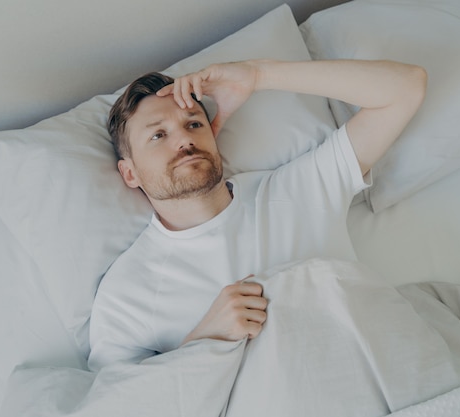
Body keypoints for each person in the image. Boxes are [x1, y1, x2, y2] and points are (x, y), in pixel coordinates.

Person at [88, 59, 427, 371]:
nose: (184, 140)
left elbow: (406, 87)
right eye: (159, 134)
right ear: (129, 173)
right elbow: (119, 401)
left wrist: (257, 74)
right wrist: (204, 341)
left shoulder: (296, 189)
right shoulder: (127, 293)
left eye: (193, 123)